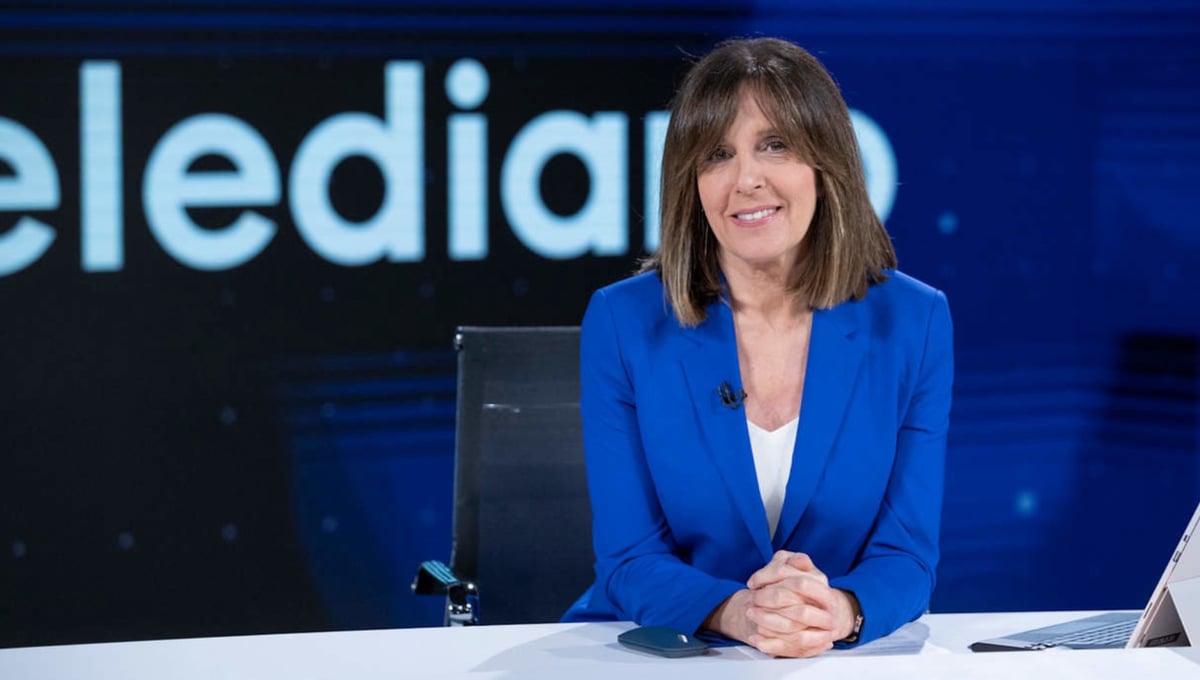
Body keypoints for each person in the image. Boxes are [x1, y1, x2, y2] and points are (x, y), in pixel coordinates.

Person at [560, 37, 953, 658]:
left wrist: (837, 612)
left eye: (775, 145)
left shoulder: (913, 322)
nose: (746, 179)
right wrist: (742, 613)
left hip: (827, 659)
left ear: (826, 160)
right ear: (691, 182)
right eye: (717, 155)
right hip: (661, 653)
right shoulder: (623, 321)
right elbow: (629, 559)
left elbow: (907, 556)